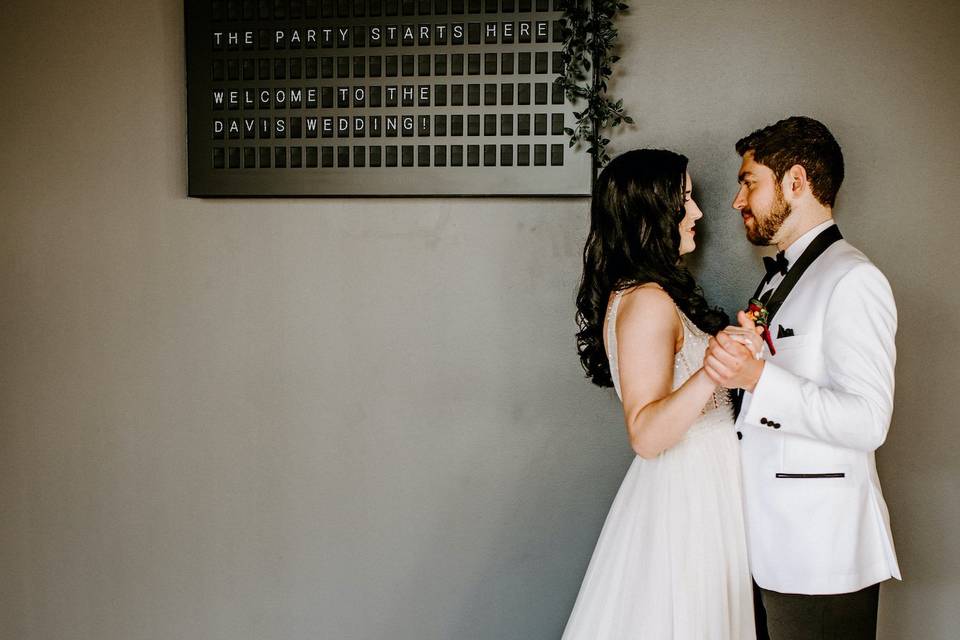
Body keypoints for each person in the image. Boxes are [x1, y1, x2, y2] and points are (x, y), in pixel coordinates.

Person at [704, 116, 901, 639]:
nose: (736, 200)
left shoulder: (854, 279)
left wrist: (757, 376)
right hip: (765, 543)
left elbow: (867, 421)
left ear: (795, 182)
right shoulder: (783, 277)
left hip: (820, 553)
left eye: (749, 182)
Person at [563, 149, 757, 639]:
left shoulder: (650, 293)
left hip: (702, 489)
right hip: (686, 499)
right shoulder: (646, 301)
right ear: (651, 213)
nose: (697, 213)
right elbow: (646, 434)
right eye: (685, 200)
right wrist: (714, 369)